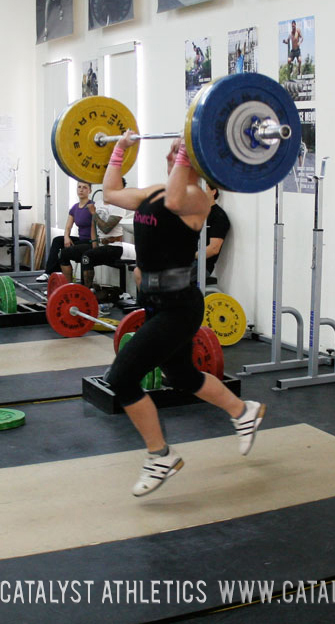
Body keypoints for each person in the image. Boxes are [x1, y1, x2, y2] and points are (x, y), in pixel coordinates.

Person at [102, 131, 265, 497]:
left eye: (183, 148)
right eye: (175, 147)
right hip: (157, 301)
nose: (174, 149)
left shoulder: (198, 199)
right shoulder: (154, 192)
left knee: (123, 378)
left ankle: (160, 455)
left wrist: (190, 151)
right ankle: (243, 411)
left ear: (197, 159)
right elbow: (111, 193)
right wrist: (120, 149)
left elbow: (176, 198)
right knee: (182, 374)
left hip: (179, 306)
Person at [59, 180, 133, 288]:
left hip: (114, 247)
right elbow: (93, 225)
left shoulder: (119, 207)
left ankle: (87, 292)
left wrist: (93, 213)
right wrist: (94, 243)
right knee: (64, 254)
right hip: (99, 245)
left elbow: (106, 228)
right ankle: (70, 288)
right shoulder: (98, 204)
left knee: (87, 257)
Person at [36, 180, 94, 282]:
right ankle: (49, 273)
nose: (81, 190)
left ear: (90, 190)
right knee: (58, 240)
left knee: (63, 253)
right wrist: (66, 237)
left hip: (90, 241)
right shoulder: (75, 208)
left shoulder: (92, 206)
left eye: (84, 187)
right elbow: (68, 227)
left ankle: (65, 281)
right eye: (79, 187)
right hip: (80, 240)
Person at [190, 183, 229, 284]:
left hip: (201, 265)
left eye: (204, 189)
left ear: (213, 191)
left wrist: (190, 256)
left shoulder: (219, 216)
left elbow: (214, 249)